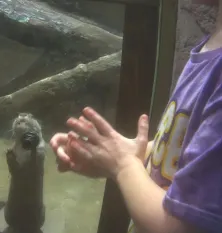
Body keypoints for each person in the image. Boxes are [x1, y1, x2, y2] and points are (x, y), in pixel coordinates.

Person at [49, 0, 222, 232]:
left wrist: (124, 165)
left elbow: (180, 227)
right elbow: (181, 151)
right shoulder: (211, 49)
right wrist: (112, 154)